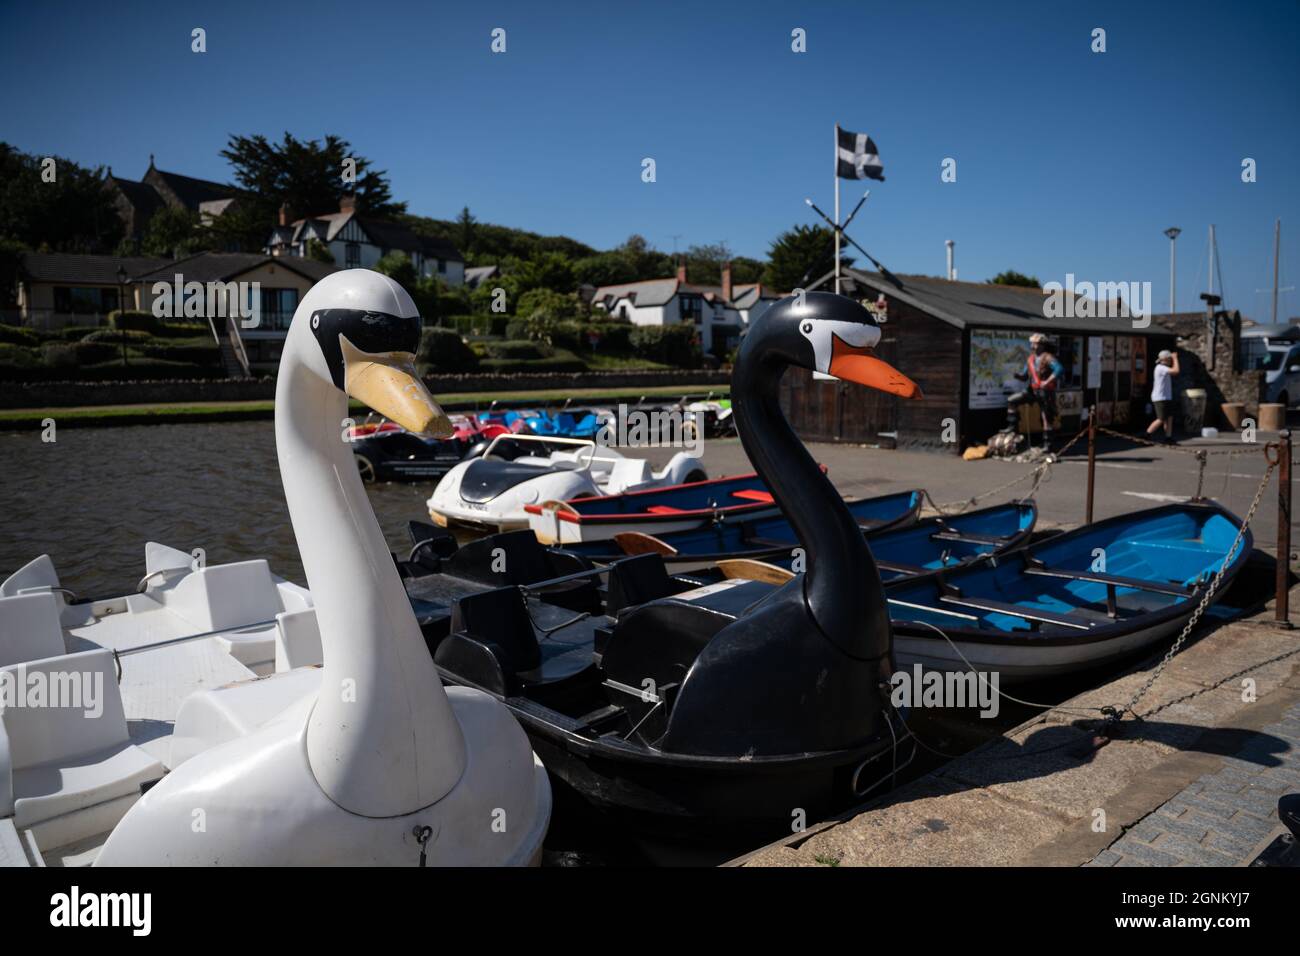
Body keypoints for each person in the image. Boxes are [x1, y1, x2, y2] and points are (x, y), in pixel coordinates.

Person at [1005, 333, 1063, 449]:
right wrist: (1018, 376)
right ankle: (1012, 428)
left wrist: (1047, 381)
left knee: (1046, 418)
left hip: (1045, 392)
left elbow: (1059, 369)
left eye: (1035, 344)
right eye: (1032, 343)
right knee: (1012, 401)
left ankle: (1047, 444)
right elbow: (1025, 376)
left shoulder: (1048, 358)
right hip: (1032, 390)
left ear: (1042, 345)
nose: (1032, 346)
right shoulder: (1031, 359)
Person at [1146, 348, 1180, 443]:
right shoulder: (1160, 367)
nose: (1171, 360)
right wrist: (1175, 359)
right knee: (1161, 418)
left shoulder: (1164, 368)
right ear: (1166, 359)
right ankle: (1147, 434)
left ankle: (1168, 437)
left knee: (1169, 417)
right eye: (1170, 359)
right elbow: (1176, 371)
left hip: (1166, 397)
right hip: (1160, 397)